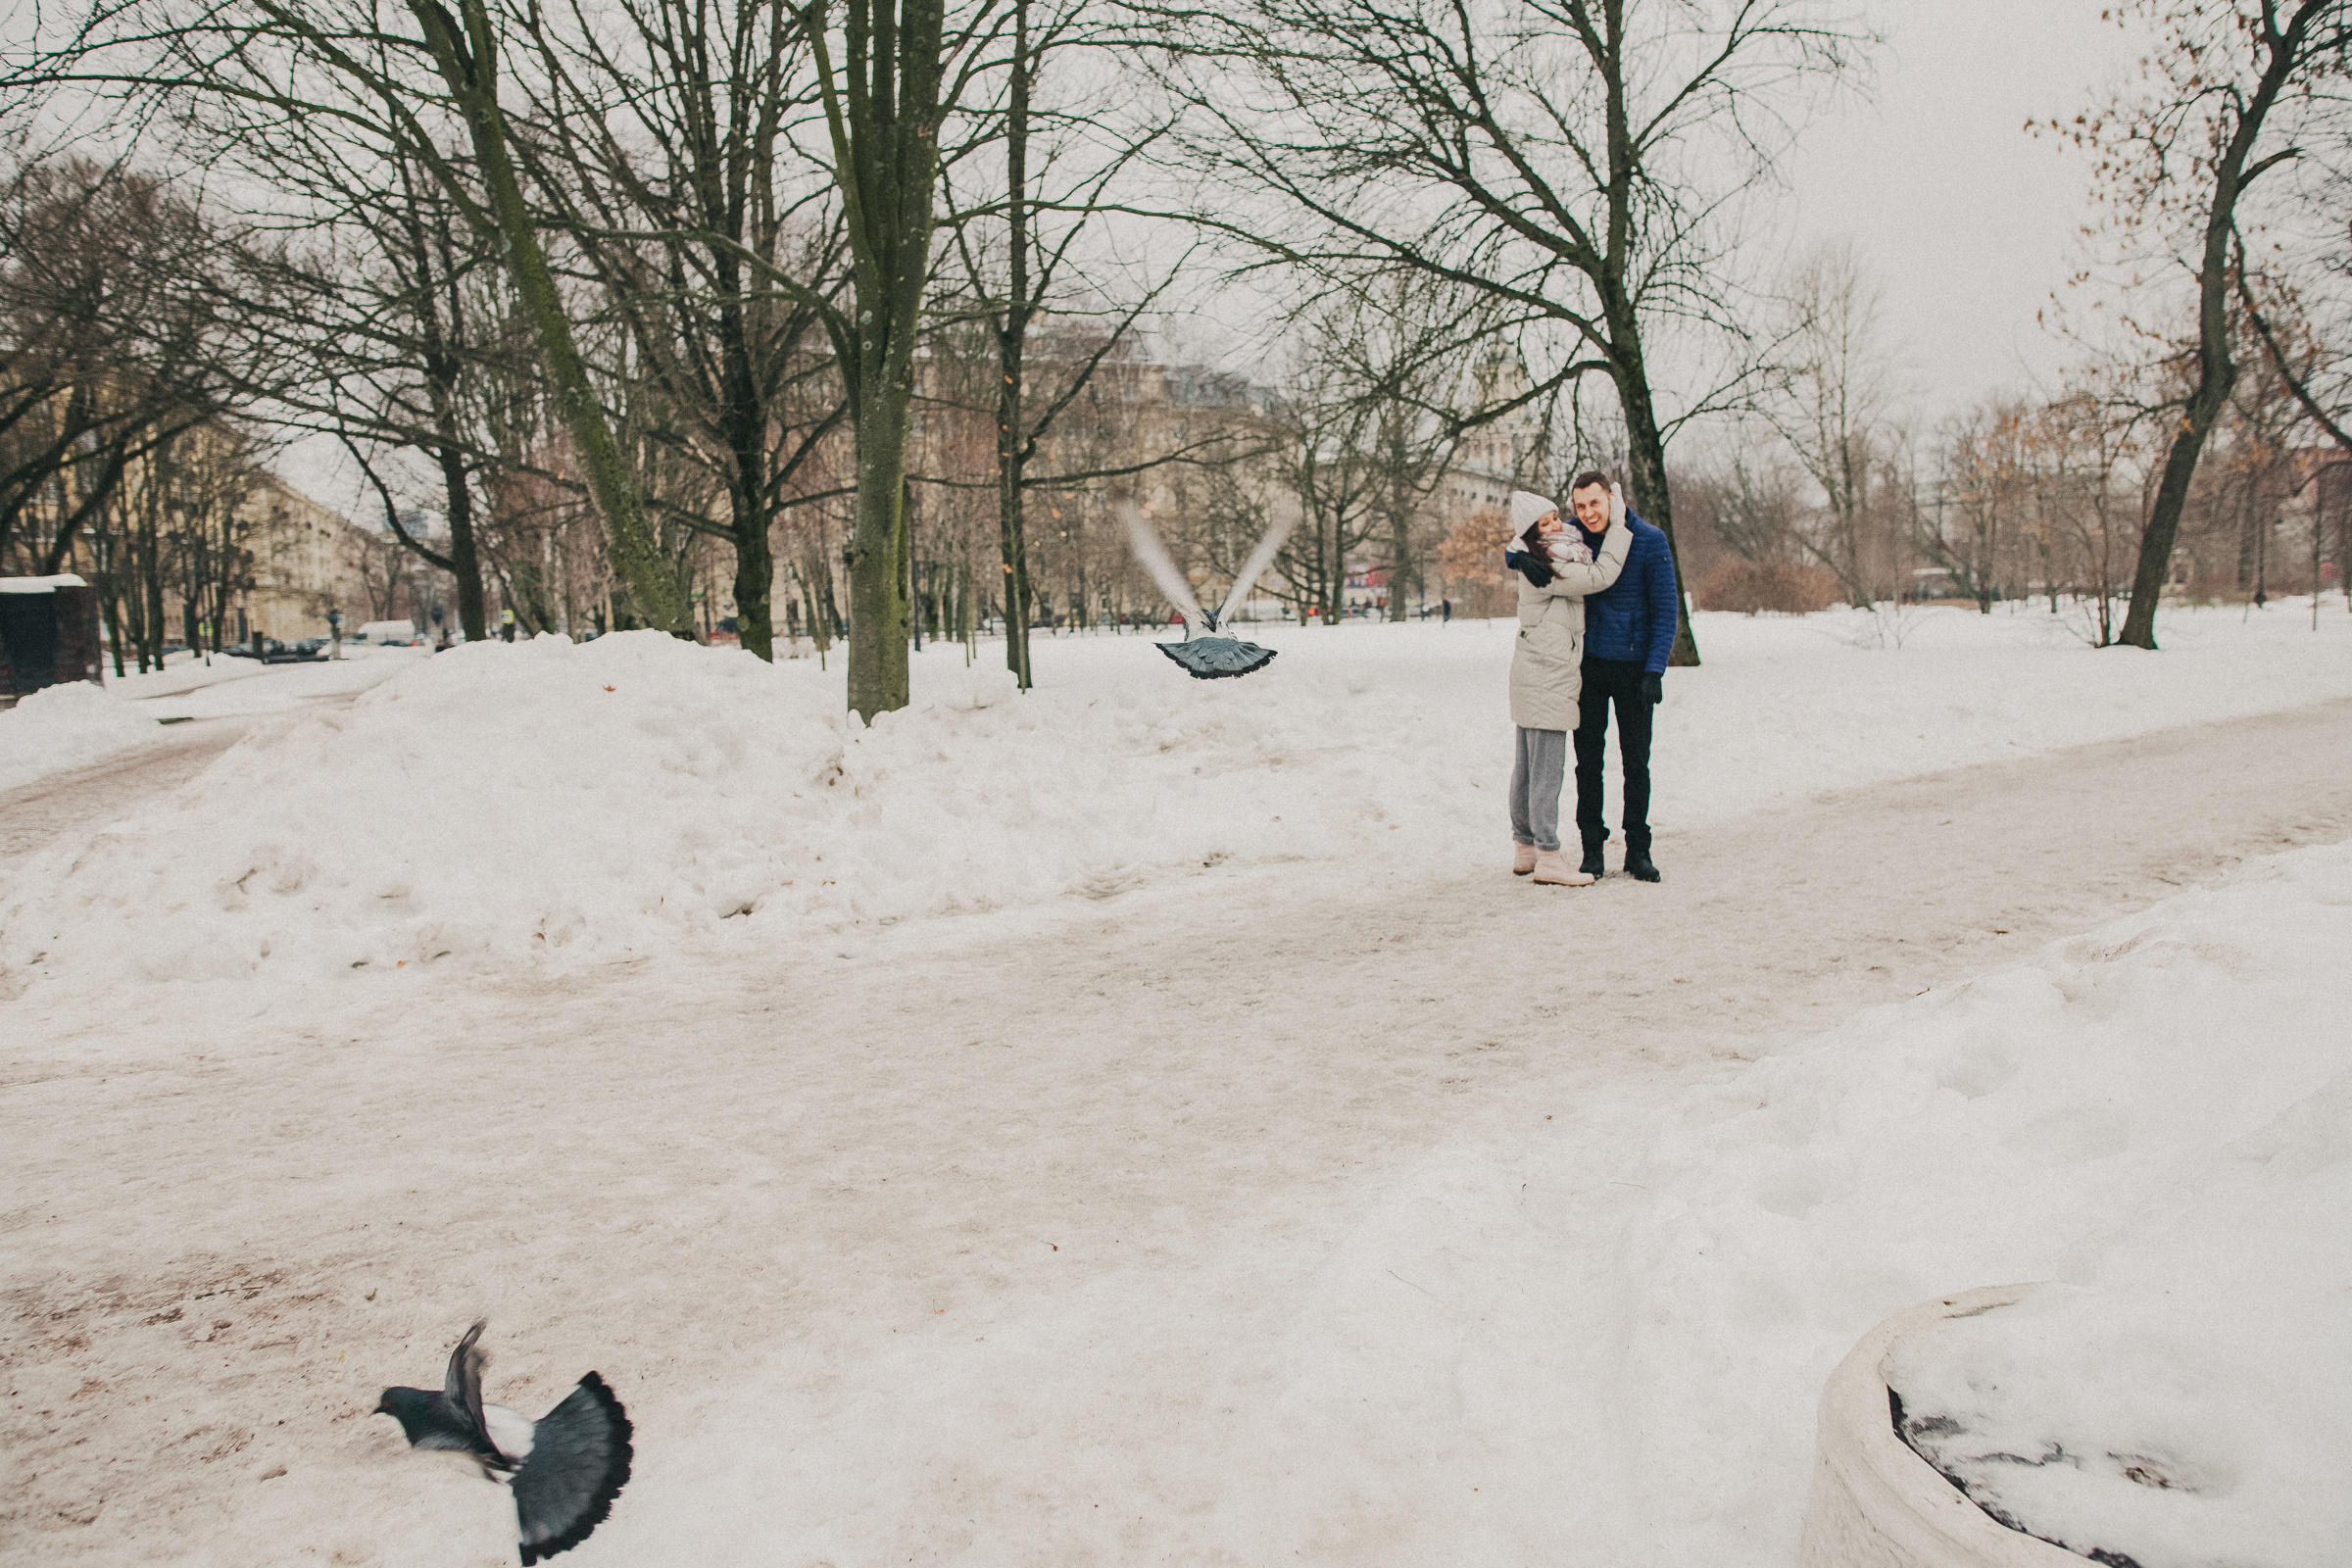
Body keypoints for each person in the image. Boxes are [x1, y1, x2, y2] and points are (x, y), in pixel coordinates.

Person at [1501, 486, 1631, 886]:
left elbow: (1517, 545)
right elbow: (1602, 575)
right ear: (1532, 533)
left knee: (1527, 766)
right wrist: (1620, 525)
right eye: (1546, 523)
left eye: (1555, 516)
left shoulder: (1543, 552)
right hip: (1548, 675)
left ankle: (1525, 848)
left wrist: (1515, 554)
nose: (1557, 524)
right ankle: (1549, 855)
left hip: (1536, 670)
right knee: (1545, 771)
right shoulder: (1553, 562)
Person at [1562, 470, 1679, 882]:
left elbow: (1666, 609)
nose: (1589, 513)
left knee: (1636, 763)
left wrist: (1655, 669)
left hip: (1633, 670)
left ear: (1612, 498)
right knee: (1587, 764)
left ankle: (1638, 849)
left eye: (1595, 503)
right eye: (1580, 506)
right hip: (1588, 668)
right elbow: (1522, 544)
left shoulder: (1648, 540)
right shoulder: (1570, 539)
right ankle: (1592, 848)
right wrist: (1518, 557)